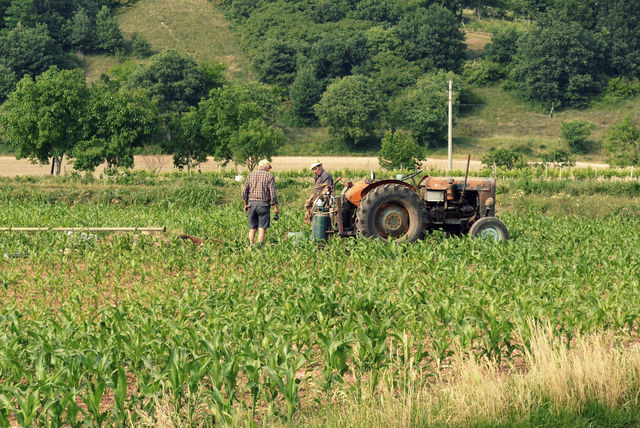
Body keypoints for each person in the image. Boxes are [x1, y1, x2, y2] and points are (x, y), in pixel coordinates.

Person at [242, 159, 279, 245]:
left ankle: (251, 244)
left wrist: (245, 204)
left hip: (251, 204)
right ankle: (259, 246)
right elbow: (272, 193)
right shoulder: (269, 176)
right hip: (263, 204)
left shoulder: (250, 175)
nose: (269, 169)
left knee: (252, 227)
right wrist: (275, 207)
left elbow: (244, 192)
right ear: (266, 167)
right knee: (262, 227)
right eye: (269, 167)